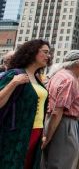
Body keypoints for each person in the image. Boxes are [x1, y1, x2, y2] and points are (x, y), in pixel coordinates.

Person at [0, 39, 51, 169]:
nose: (48, 56)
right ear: (32, 52)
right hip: (16, 132)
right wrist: (13, 83)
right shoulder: (15, 74)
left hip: (36, 131)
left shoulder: (36, 77)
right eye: (45, 52)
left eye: (49, 53)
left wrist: (43, 132)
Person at [42, 50, 79, 169]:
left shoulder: (57, 75)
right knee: (61, 164)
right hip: (64, 124)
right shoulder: (69, 79)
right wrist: (47, 137)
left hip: (54, 121)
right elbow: (58, 111)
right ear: (78, 63)